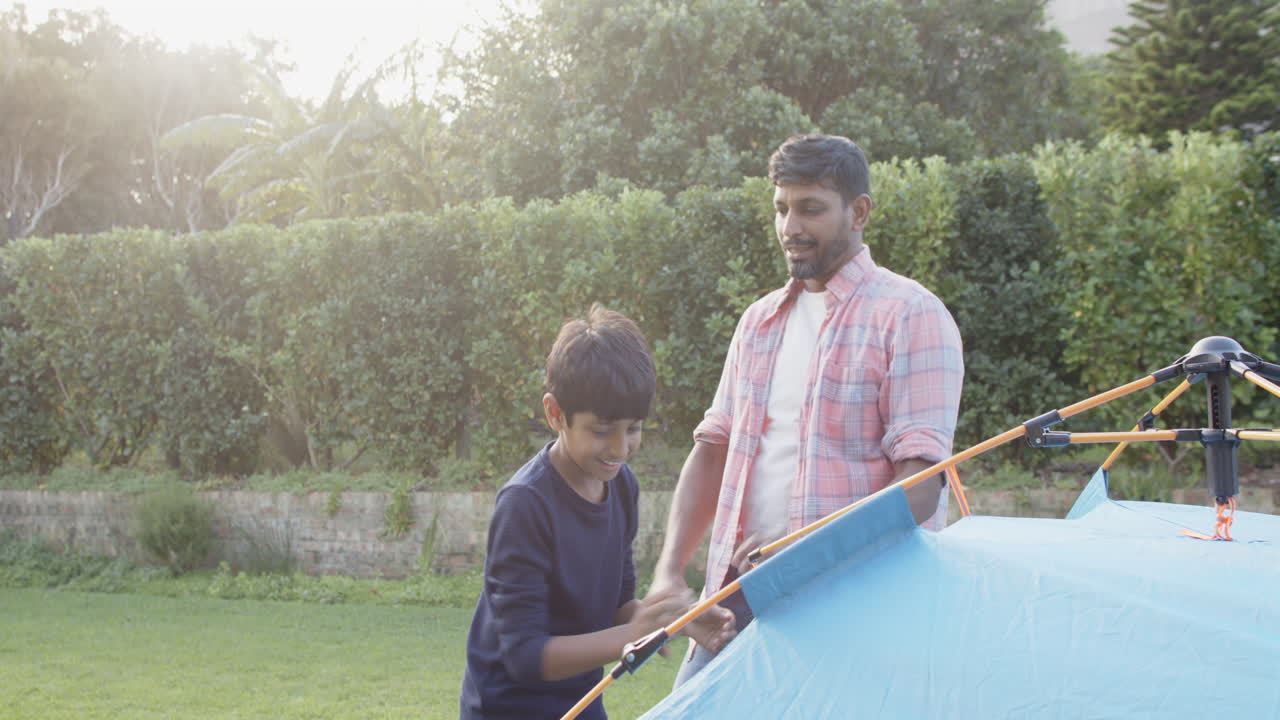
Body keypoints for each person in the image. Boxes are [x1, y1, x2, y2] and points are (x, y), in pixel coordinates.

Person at [651, 134, 964, 686]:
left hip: (855, 610)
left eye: (810, 209)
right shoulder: (758, 322)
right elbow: (713, 448)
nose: (790, 226)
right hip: (736, 601)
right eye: (781, 208)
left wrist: (804, 550)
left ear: (859, 211)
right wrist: (669, 573)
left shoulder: (911, 315)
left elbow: (920, 487)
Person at [459, 305, 734, 720]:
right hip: (507, 709)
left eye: (634, 428)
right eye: (602, 430)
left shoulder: (621, 487)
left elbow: (617, 606)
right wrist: (631, 634)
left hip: (581, 702)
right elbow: (525, 656)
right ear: (555, 414)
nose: (620, 449)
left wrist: (674, 619)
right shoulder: (525, 505)